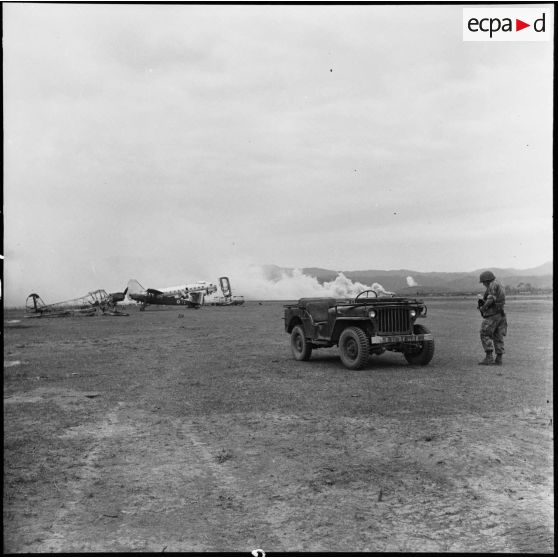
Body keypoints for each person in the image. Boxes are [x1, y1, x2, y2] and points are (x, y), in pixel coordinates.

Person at [477, 270, 507, 365]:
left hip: (493, 315)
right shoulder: (500, 284)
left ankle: (489, 358)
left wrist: (483, 307)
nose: (483, 285)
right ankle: (499, 359)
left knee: (485, 333)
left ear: (487, 281)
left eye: (483, 282)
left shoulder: (492, 285)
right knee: (498, 336)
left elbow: (491, 299)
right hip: (501, 315)